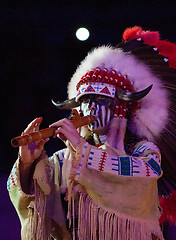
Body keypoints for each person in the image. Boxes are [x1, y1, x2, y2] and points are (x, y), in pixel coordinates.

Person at [7, 26, 176, 240]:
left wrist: (82, 148)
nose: (90, 109)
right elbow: (37, 204)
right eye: (85, 101)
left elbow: (142, 179)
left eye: (100, 100)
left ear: (120, 107)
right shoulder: (62, 160)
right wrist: (28, 164)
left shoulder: (143, 152)